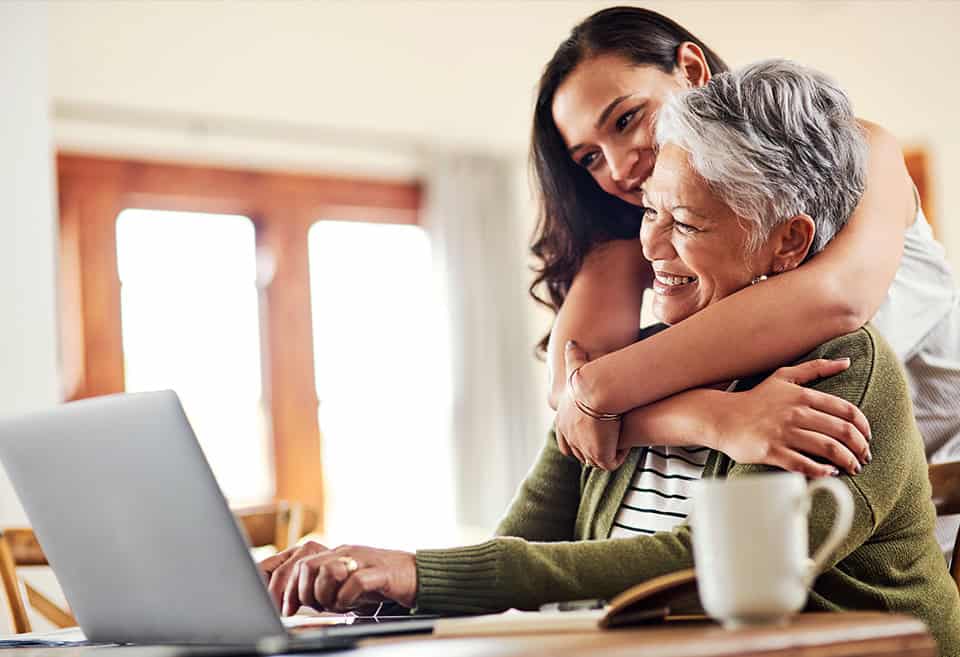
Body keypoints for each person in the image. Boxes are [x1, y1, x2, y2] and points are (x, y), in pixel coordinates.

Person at [259, 60, 960, 657]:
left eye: (685, 223)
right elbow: (523, 539)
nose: (653, 248)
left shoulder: (839, 368)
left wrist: (421, 572)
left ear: (786, 243)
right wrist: (380, 586)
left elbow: (703, 567)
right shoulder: (643, 359)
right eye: (649, 212)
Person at [532, 6, 960, 553]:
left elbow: (835, 300)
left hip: (923, 521)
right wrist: (714, 419)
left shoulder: (856, 152)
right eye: (590, 157)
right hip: (791, 521)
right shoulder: (643, 229)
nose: (619, 168)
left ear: (690, 70)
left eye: (626, 120)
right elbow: (570, 394)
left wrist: (603, 392)